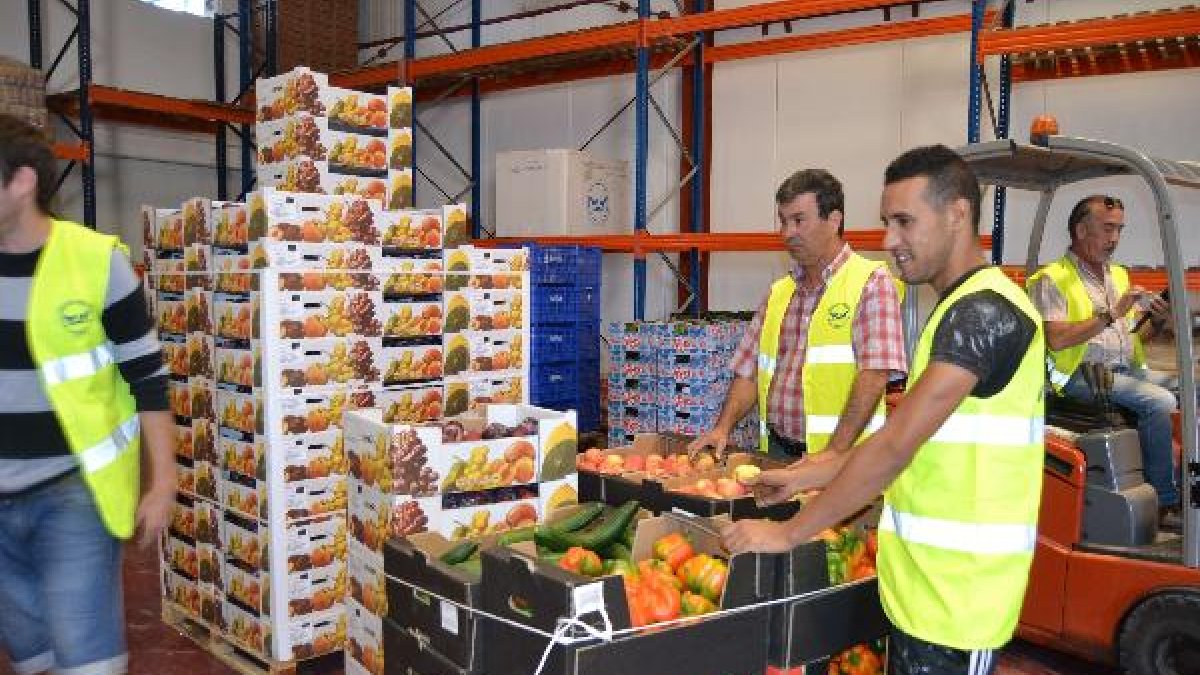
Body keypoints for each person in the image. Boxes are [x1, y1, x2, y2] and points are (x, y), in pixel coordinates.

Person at [723, 145, 1045, 675]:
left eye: (904, 222)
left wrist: (787, 532)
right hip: (921, 591)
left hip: (959, 602)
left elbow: (895, 447)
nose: (889, 241)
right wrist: (809, 473)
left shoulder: (986, 313)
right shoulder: (953, 313)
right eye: (886, 222)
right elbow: (911, 437)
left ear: (957, 214)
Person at [0, 114, 176, 675]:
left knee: (87, 659)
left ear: (22, 182)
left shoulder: (97, 262)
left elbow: (146, 375)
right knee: (33, 657)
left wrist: (164, 481)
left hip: (71, 494)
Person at [687, 169, 906, 462]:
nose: (787, 232)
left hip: (845, 459)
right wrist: (722, 428)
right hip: (778, 451)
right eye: (783, 221)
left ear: (834, 220)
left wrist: (834, 452)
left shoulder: (871, 283)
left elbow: (875, 376)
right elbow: (749, 370)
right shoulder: (779, 292)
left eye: (799, 220)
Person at [1027, 194, 1180, 523]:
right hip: (1077, 378)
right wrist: (1111, 314)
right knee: (1159, 402)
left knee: (1189, 388)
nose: (1115, 239)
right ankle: (1165, 500)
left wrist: (1159, 320)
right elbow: (1057, 338)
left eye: (1119, 230)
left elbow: (1133, 338)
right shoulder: (1051, 279)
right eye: (1108, 228)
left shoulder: (1118, 275)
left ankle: (1183, 481)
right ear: (1082, 230)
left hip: (1124, 370)